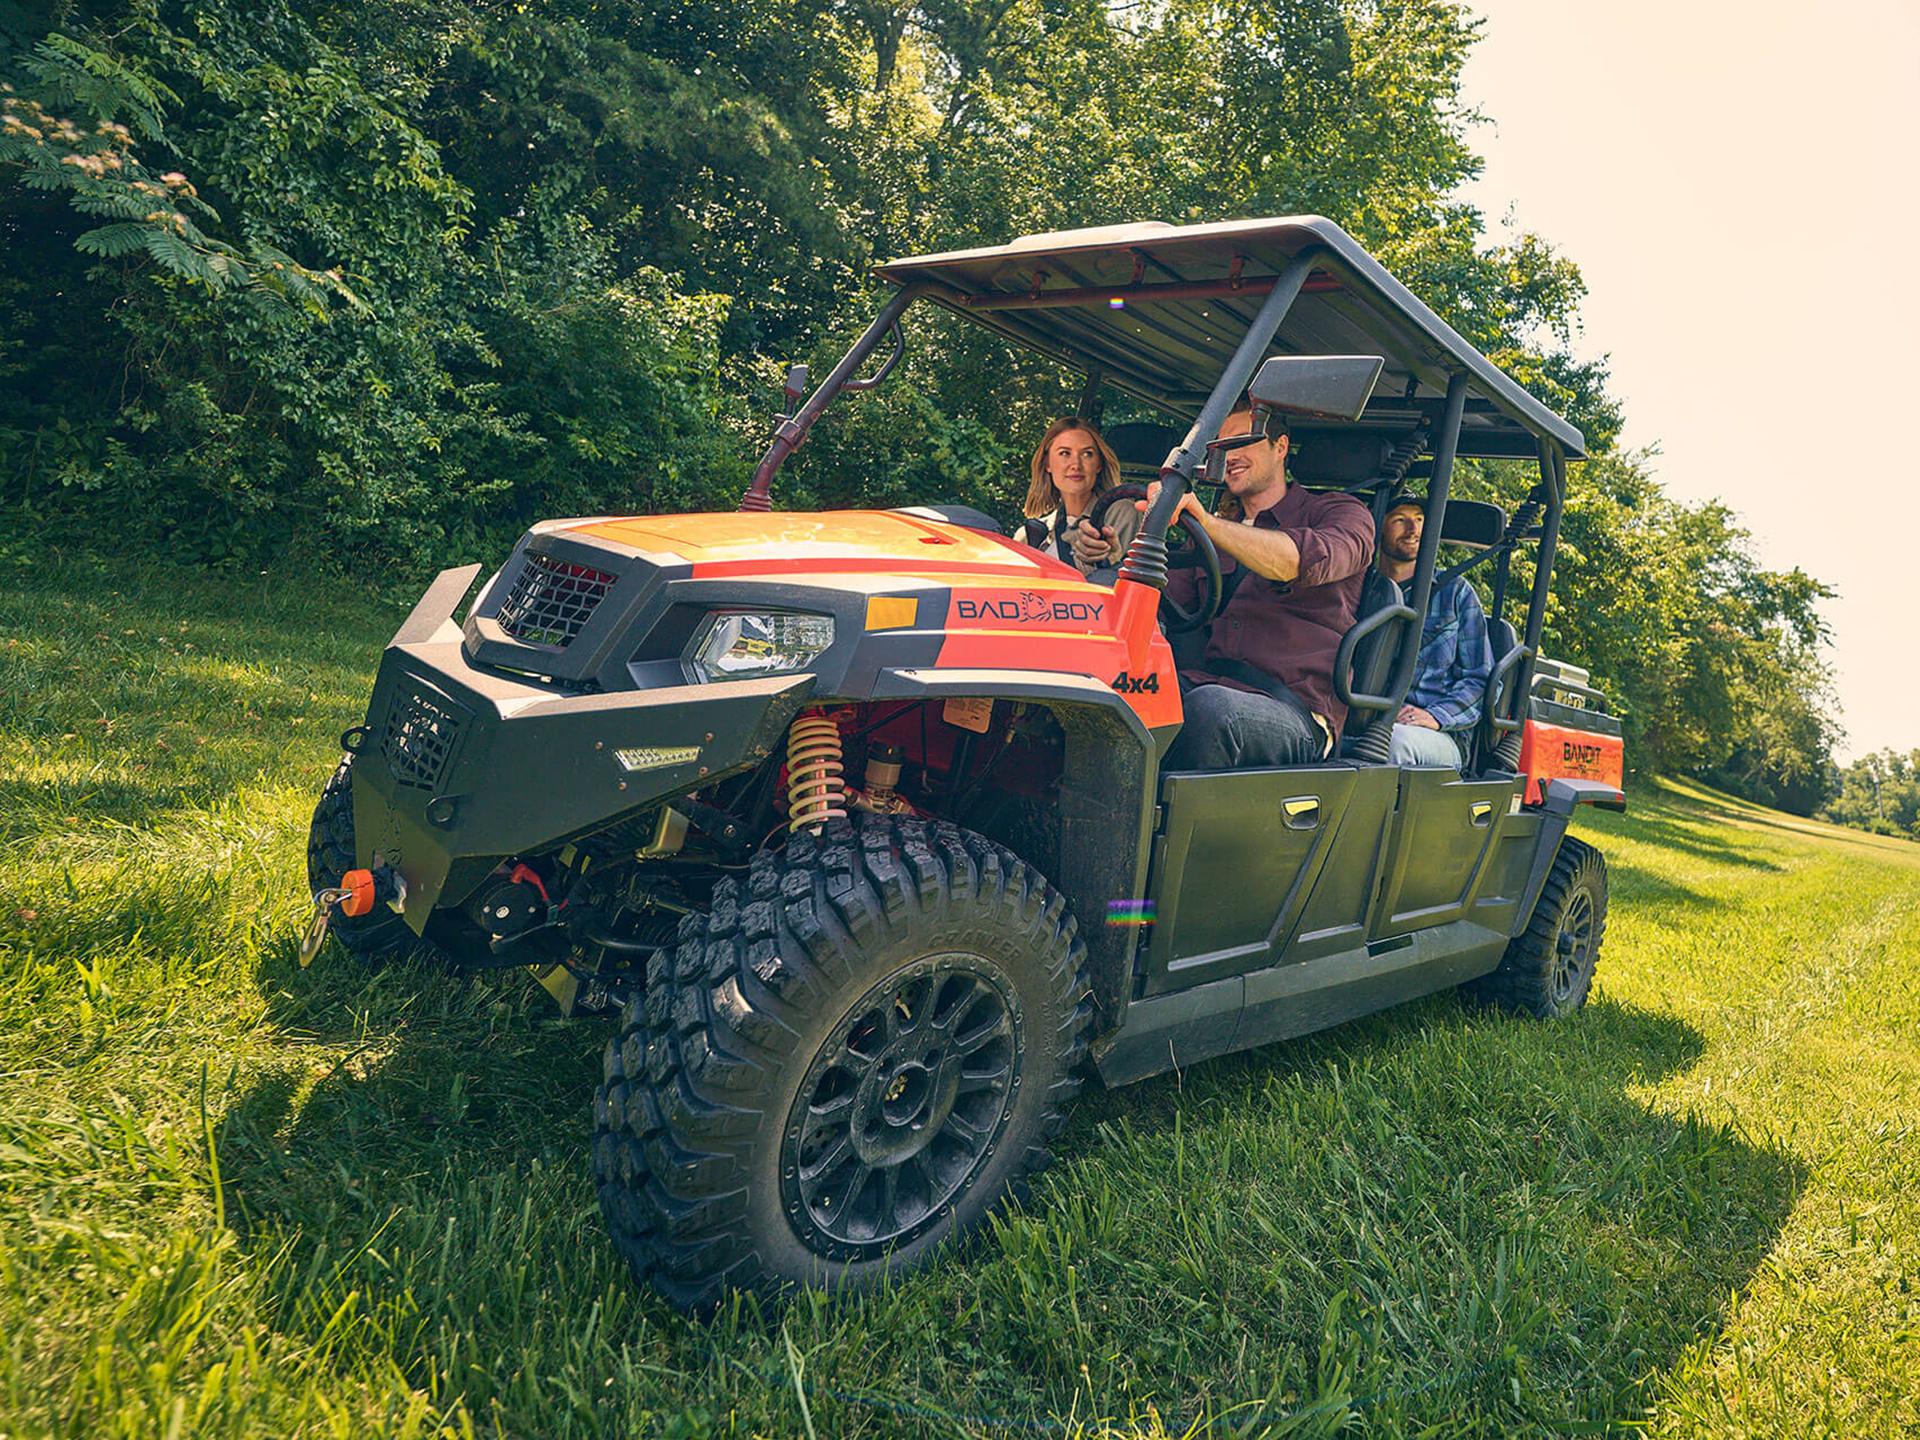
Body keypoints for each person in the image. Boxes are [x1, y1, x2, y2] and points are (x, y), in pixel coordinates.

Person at [1157, 404, 1376, 769]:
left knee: (1211, 710)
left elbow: (1297, 561)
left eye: (1243, 441)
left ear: (1281, 446)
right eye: (1221, 446)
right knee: (1125, 691)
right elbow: (1164, 603)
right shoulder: (1208, 533)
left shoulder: (1339, 513)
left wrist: (1210, 525)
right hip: (1208, 683)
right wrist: (1113, 555)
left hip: (1295, 709)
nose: (1230, 455)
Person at [1373, 494, 1493, 766]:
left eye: (1419, 520)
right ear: (1379, 527)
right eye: (1400, 520)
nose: (1412, 529)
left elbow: (1480, 680)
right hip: (1365, 716)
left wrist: (1437, 716)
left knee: (1392, 744)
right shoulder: (1360, 588)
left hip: (1437, 732)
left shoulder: (1455, 592)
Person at [1020, 418, 1140, 575]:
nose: (1076, 464)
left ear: (1099, 464)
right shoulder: (1030, 534)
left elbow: (1110, 580)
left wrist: (1107, 557)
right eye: (1064, 453)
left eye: (1087, 454)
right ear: (1047, 464)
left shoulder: (1122, 512)